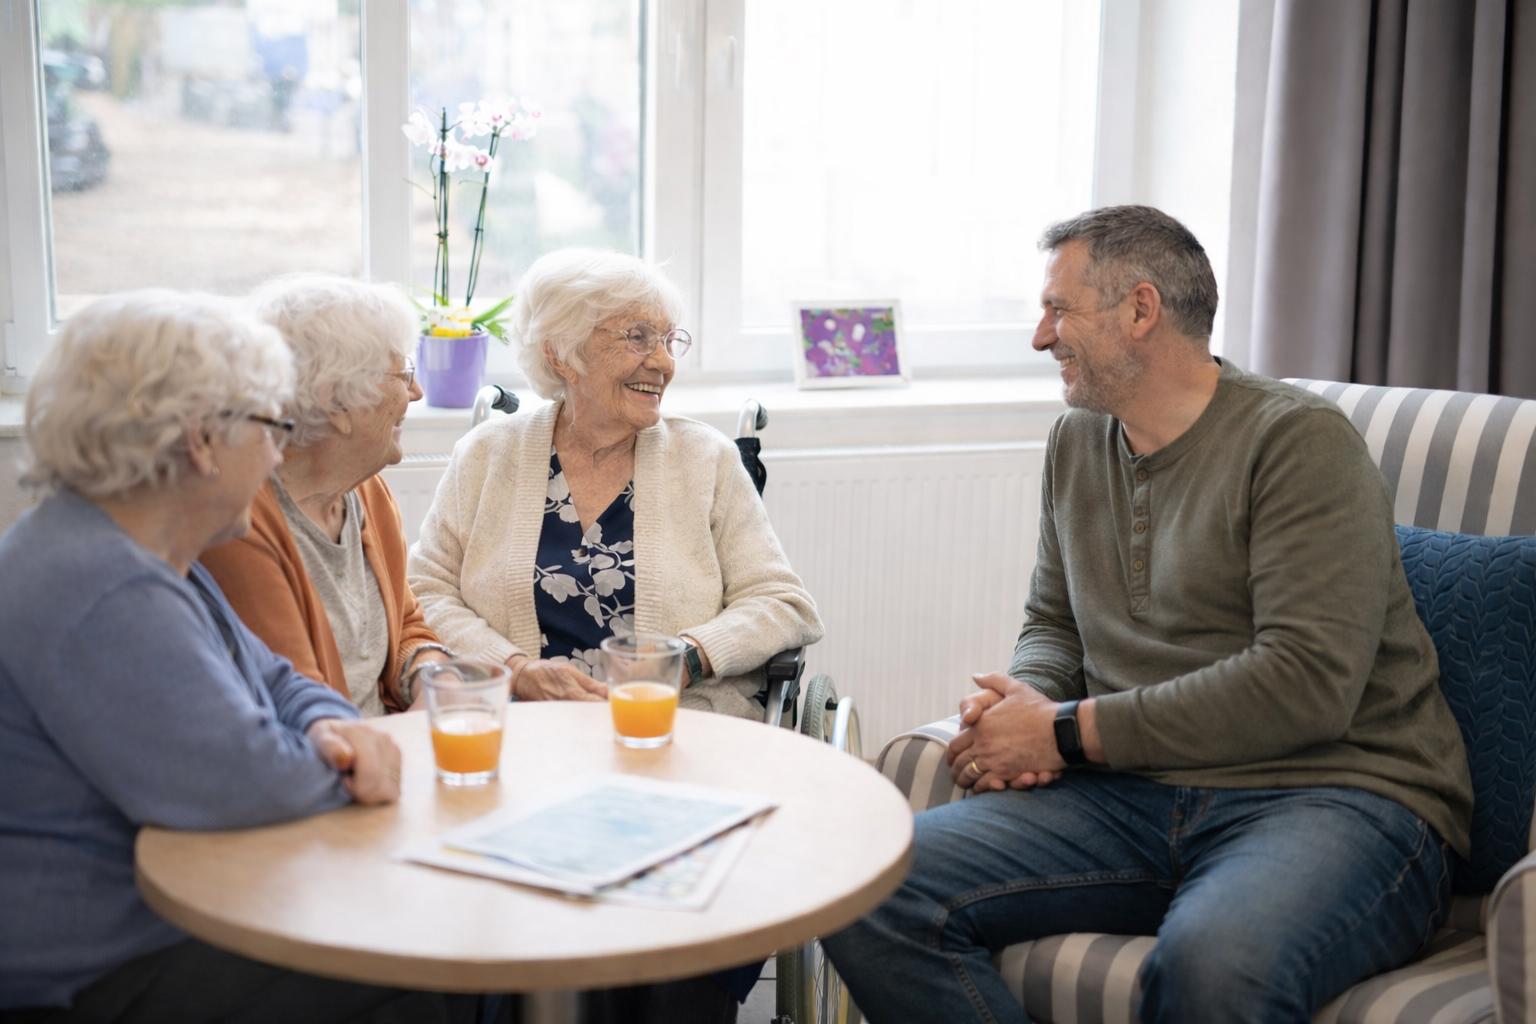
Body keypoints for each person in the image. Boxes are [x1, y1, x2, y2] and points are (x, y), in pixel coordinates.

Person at [821, 205, 1472, 1023]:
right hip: (1128, 796)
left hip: (1334, 794)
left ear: (1139, 310)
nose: (1040, 336)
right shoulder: (1076, 442)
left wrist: (1060, 731)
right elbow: (1055, 621)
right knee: (862, 883)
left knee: (1213, 968)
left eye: (1059, 310)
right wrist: (1018, 707)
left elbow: (1306, 684)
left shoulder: (1297, 443)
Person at [0, 290, 447, 1022]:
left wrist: (336, 727)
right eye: (270, 427)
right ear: (201, 442)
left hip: (166, 918)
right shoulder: (102, 584)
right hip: (97, 970)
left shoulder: (138, 550)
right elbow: (241, 783)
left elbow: (277, 680)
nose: (278, 451)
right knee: (436, 959)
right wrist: (346, 758)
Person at [408, 248, 823, 1021]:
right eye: (637, 337)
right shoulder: (489, 455)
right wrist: (512, 667)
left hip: (671, 744)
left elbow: (783, 602)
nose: (661, 362)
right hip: (524, 745)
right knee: (497, 912)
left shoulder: (705, 460)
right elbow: (422, 591)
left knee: (661, 952)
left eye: (671, 340)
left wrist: (686, 657)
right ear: (562, 351)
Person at [201, 275, 449, 716]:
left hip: (386, 745)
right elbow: (300, 702)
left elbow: (408, 624)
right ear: (337, 403)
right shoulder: (240, 520)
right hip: (330, 764)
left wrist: (432, 677)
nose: (417, 392)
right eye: (404, 372)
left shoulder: (366, 489)